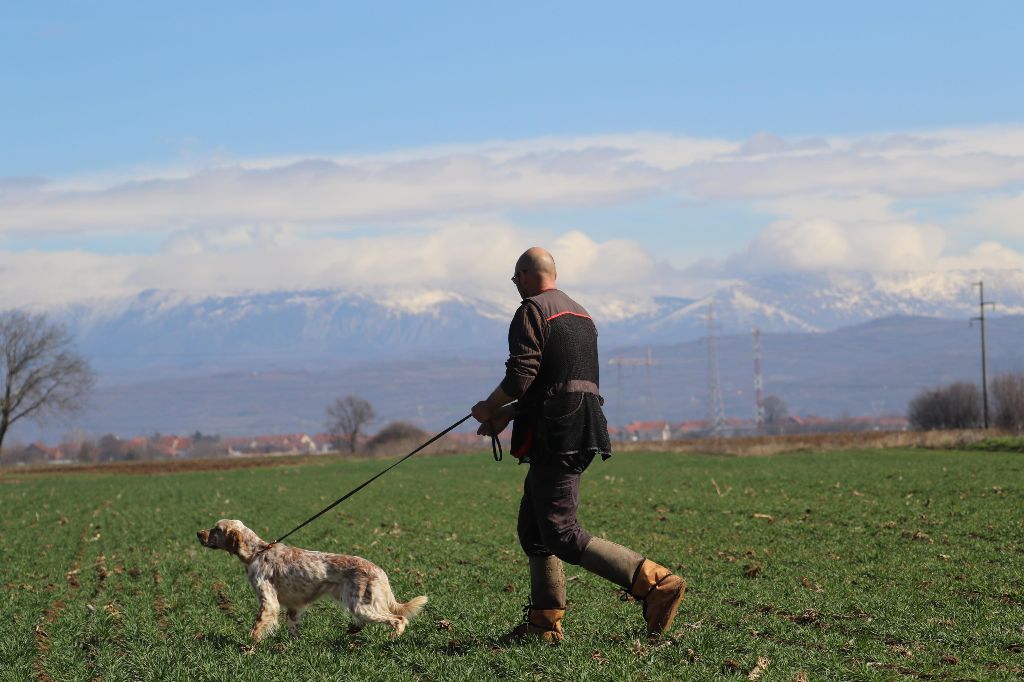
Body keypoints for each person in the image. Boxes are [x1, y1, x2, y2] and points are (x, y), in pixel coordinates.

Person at [471, 246, 686, 642]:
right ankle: (544, 624)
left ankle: (655, 582)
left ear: (524, 274)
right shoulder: (580, 313)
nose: (515, 284)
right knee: (535, 526)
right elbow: (559, 383)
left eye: (515, 277)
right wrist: (510, 414)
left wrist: (490, 405)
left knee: (560, 531)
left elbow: (523, 373)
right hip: (583, 424)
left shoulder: (531, 311)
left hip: (558, 432)